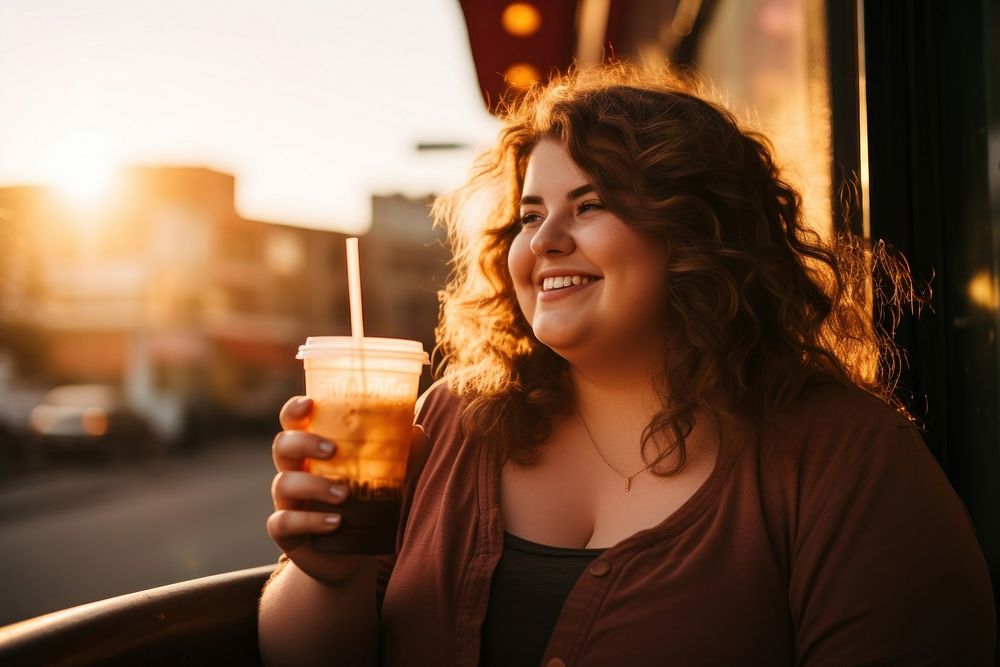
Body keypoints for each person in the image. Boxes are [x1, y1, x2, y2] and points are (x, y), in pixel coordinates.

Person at [258, 64, 996, 666]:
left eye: (590, 205)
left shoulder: (846, 458)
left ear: (696, 232)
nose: (544, 240)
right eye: (529, 214)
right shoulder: (450, 421)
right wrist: (327, 571)